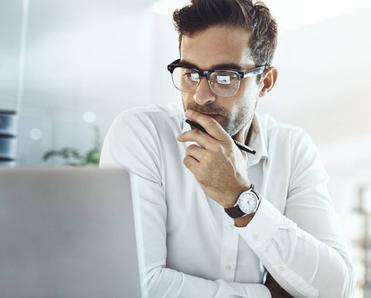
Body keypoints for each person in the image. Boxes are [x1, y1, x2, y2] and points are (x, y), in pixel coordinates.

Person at [100, 0, 355, 297]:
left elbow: (337, 289)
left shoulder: (292, 148)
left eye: (225, 78)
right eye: (191, 73)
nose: (201, 95)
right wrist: (267, 294)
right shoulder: (142, 135)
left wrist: (241, 199)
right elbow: (134, 285)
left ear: (265, 82)